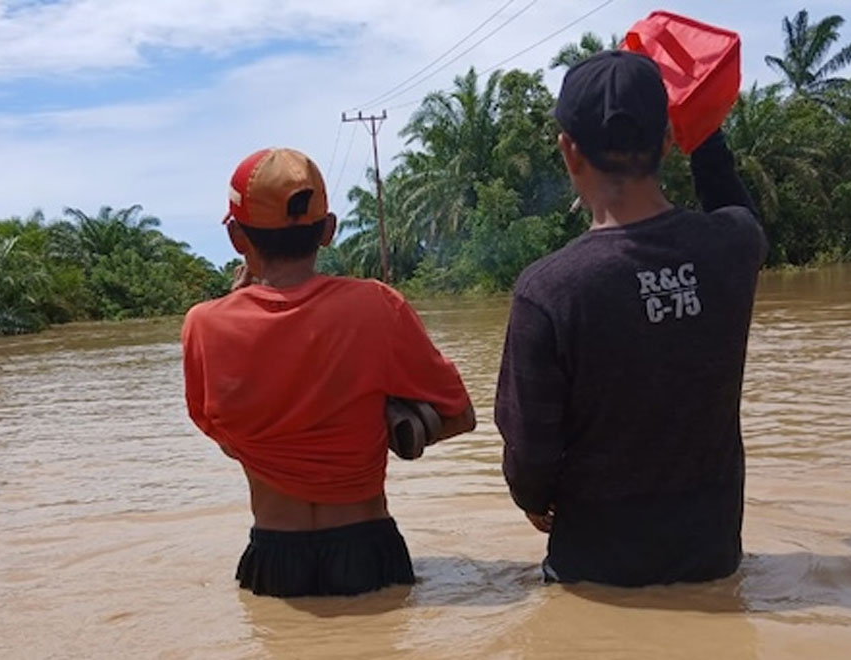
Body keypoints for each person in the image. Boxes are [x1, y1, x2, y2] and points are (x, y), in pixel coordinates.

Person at [494, 51, 767, 586]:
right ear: (667, 141)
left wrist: (532, 497)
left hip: (594, 574)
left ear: (568, 151)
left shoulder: (548, 290)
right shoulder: (734, 248)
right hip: (712, 559)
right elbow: (736, 208)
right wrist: (706, 131)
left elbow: (529, 450)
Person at [182, 147, 476, 597]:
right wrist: (391, 425)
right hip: (368, 550)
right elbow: (460, 415)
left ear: (237, 238)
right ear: (329, 230)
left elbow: (229, 442)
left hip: (275, 555)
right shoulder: (378, 306)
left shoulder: (203, 326)